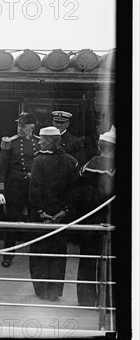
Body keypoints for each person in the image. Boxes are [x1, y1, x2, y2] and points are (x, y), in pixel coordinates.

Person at [29, 126, 79, 302]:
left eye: (41, 139)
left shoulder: (38, 161)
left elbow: (34, 189)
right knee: (58, 253)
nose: (39, 141)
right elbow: (73, 191)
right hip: (61, 217)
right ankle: (54, 292)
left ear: (49, 141)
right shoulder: (71, 161)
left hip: (41, 217)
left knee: (39, 252)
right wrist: (63, 211)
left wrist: (41, 212)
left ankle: (41, 290)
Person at [75, 126, 115, 307]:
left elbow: (78, 191)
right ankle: (108, 301)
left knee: (87, 260)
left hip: (88, 220)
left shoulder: (89, 164)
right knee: (109, 261)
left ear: (100, 146)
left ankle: (86, 299)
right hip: (108, 220)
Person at [0, 112, 40, 268]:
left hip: (33, 188)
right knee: (11, 223)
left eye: (23, 126)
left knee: (35, 222)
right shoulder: (10, 143)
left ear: (32, 127)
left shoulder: (39, 142)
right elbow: (1, 169)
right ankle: (8, 255)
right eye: (19, 125)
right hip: (14, 188)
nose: (19, 128)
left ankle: (36, 255)